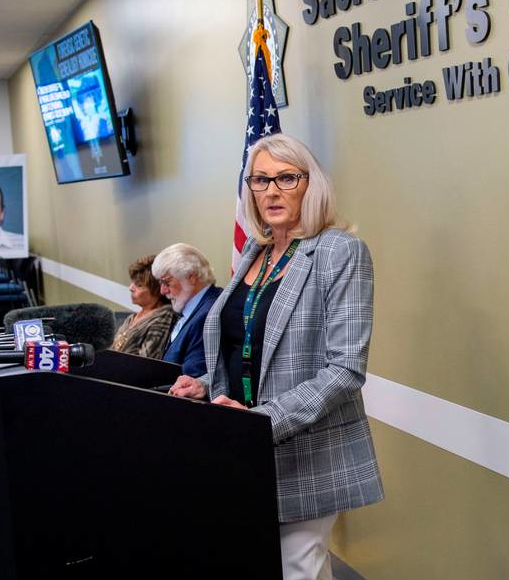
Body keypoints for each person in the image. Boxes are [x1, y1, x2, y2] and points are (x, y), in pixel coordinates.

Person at [169, 133, 383, 580]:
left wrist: (262, 419)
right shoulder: (257, 251)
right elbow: (243, 344)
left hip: (305, 449)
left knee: (298, 569)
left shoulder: (338, 252)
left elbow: (345, 370)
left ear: (311, 184)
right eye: (260, 180)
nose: (271, 191)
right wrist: (206, 384)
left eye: (287, 178)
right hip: (238, 445)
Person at [152, 243, 222, 377]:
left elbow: (192, 378)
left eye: (167, 282)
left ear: (192, 277)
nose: (162, 291)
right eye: (160, 283)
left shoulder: (209, 315)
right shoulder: (197, 308)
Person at [109, 254, 175, 359]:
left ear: (157, 290)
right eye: (132, 282)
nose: (131, 288)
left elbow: (146, 362)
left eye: (139, 285)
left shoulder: (163, 316)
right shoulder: (132, 317)